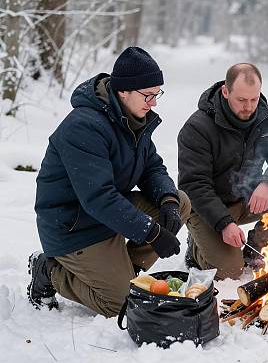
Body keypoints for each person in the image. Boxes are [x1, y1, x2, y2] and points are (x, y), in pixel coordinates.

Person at [29, 47, 190, 317]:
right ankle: (49, 270)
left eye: (157, 94)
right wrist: (151, 232)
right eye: (148, 95)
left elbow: (153, 168)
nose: (154, 103)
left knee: (180, 201)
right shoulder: (84, 126)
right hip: (73, 225)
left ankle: (127, 272)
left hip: (107, 214)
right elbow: (98, 197)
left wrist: (168, 201)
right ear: (123, 91)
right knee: (121, 305)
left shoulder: (134, 119)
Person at [178, 63, 268, 280]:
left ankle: (257, 246)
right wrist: (224, 223)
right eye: (241, 100)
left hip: (247, 197)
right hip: (207, 208)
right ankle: (196, 247)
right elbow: (193, 186)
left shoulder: (266, 116)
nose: (249, 107)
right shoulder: (197, 128)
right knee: (229, 272)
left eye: (254, 99)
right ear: (226, 91)